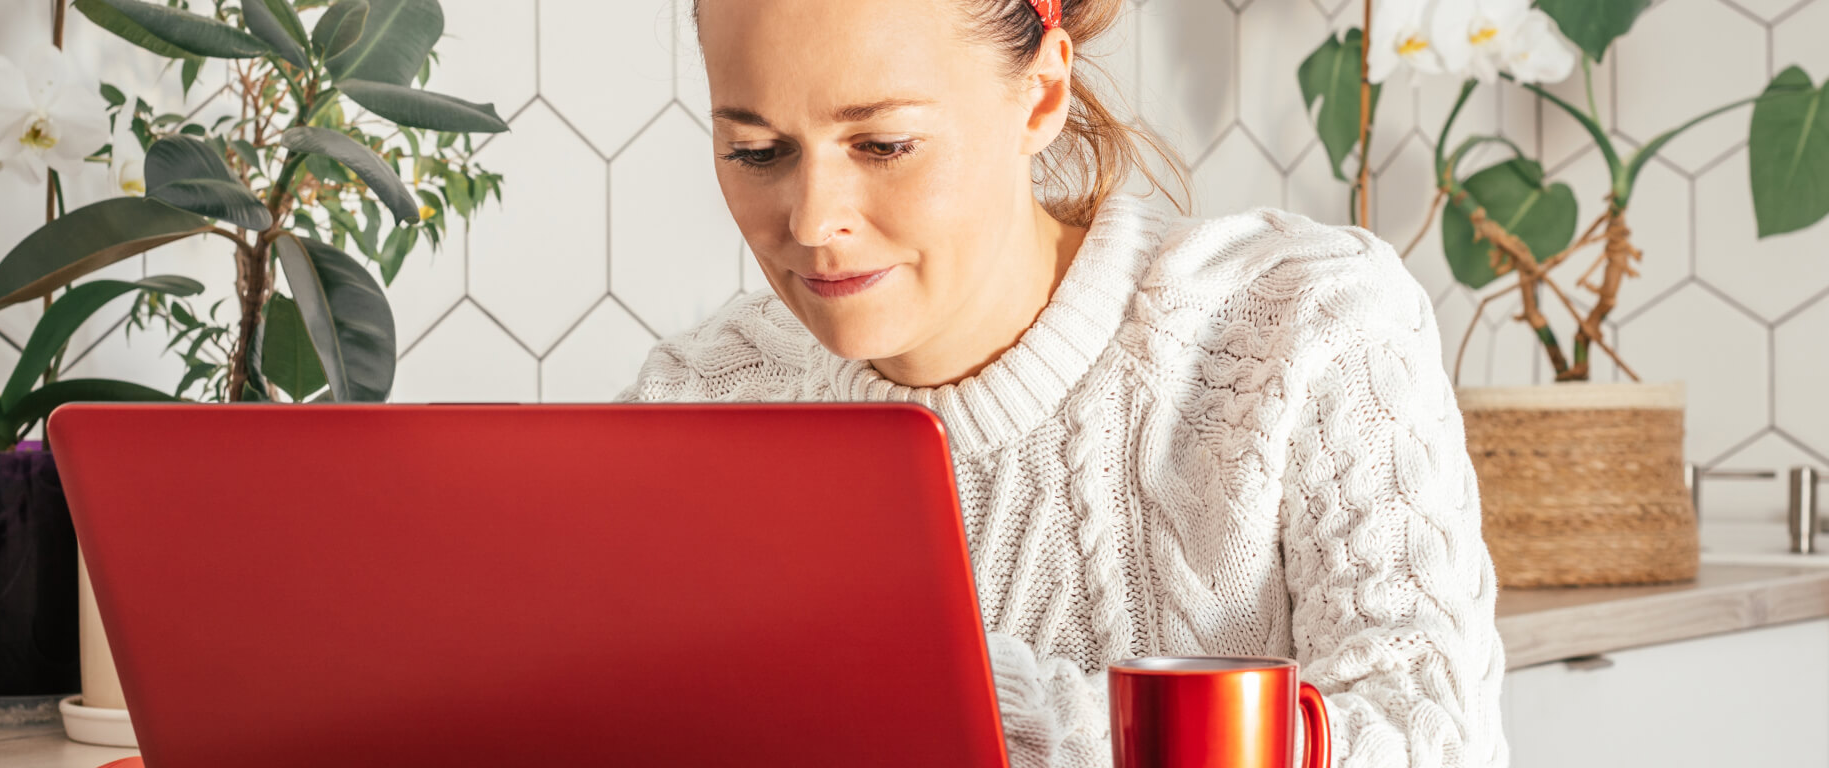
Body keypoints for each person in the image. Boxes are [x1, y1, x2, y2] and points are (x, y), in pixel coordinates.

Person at [615, 0, 1508, 765]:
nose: (813, 220)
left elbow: (1427, 742)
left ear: (1041, 95)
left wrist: (954, 691)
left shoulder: (1304, 327)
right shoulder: (701, 400)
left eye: (883, 144)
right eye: (757, 153)